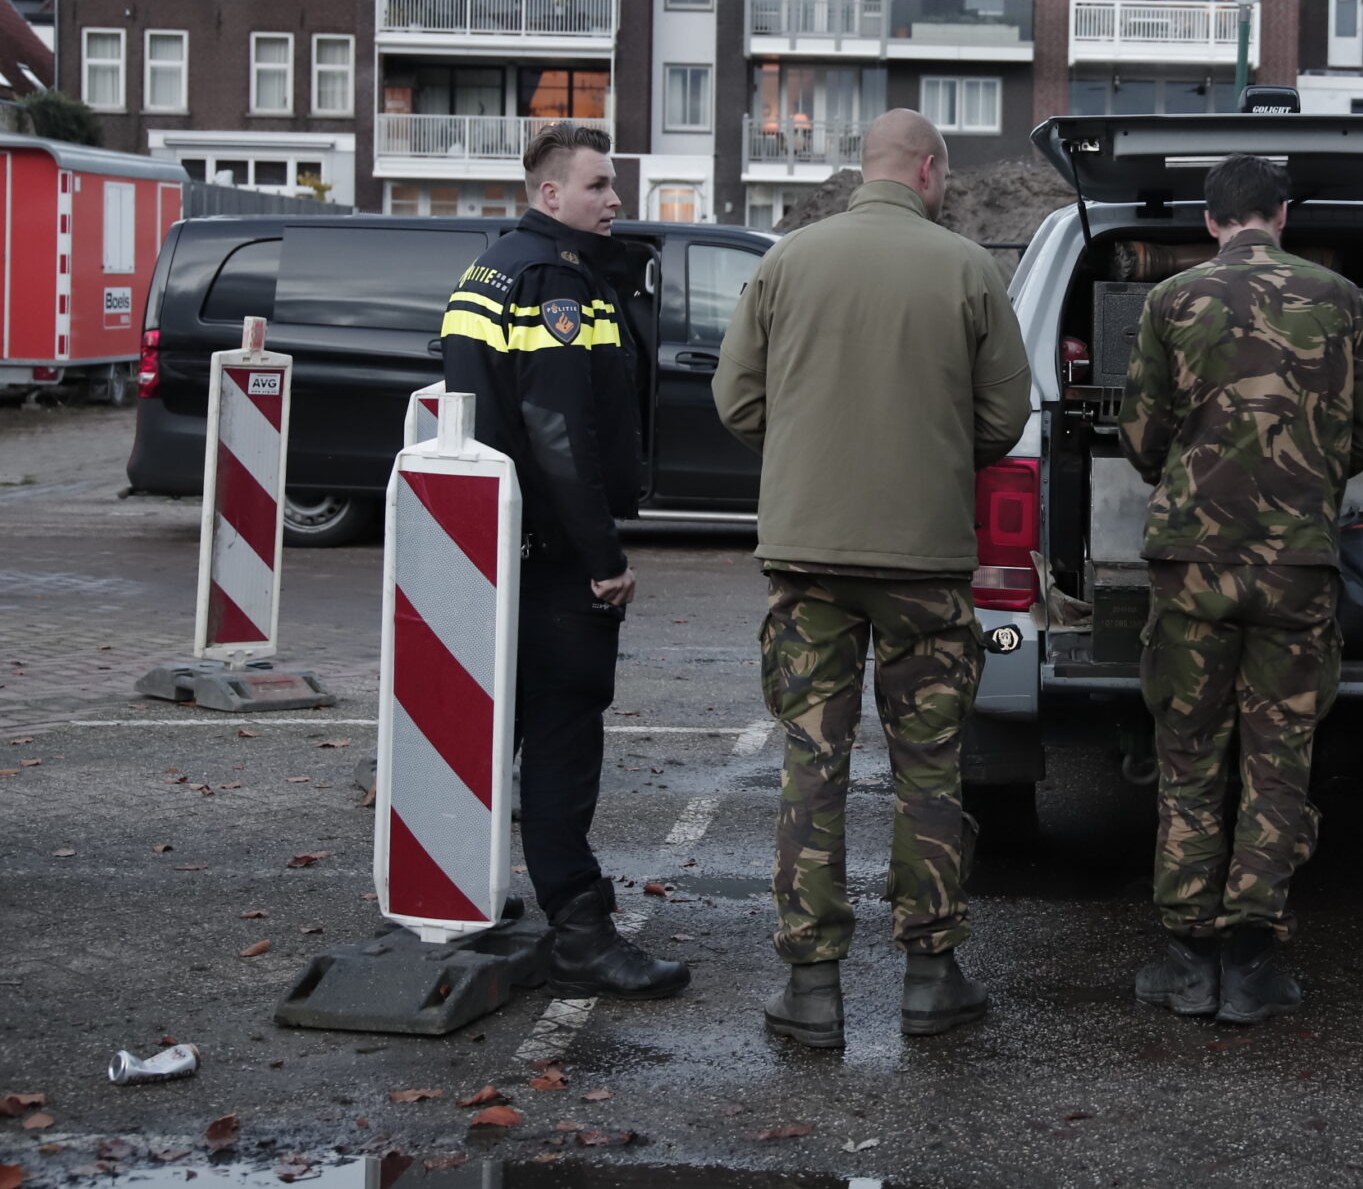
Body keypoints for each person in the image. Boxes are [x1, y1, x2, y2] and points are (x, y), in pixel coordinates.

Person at [714, 110, 1031, 1050]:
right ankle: (931, 977)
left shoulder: (786, 261)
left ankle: (812, 988)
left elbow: (736, 399)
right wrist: (932, 453)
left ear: (868, 171)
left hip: (808, 557)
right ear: (928, 171)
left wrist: (809, 451)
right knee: (928, 767)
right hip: (925, 561)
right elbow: (1005, 415)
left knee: (811, 766)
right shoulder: (969, 268)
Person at [1118, 154, 1363, 1025]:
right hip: (1296, 569)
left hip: (1191, 566)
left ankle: (1188, 962)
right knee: (1279, 762)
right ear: (1283, 214)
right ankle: (1253, 960)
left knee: (1189, 757)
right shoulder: (1340, 299)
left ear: (1209, 222)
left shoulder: (1171, 301)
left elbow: (1141, 437)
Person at [439, 123, 686, 1000]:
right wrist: (602, 555)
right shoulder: (552, 280)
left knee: (491, 737)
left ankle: (462, 899)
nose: (614, 199)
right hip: (551, 559)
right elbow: (556, 432)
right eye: (598, 184)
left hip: (495, 547)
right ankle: (580, 931)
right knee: (561, 740)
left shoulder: (494, 264)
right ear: (551, 194)